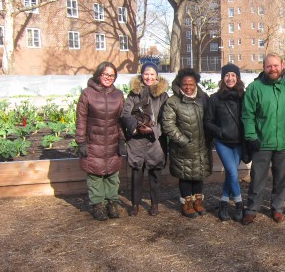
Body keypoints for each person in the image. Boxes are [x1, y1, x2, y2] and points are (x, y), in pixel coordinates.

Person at [241, 53, 285, 225]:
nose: (272, 69)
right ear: (264, 68)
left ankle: (277, 208)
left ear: (282, 65)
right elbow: (247, 115)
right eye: (268, 66)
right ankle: (252, 209)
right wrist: (251, 136)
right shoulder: (255, 88)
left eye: (275, 65)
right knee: (257, 178)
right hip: (262, 142)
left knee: (281, 179)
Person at [75, 62, 125, 221]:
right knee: (95, 175)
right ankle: (97, 205)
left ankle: (112, 203)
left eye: (112, 75)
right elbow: (81, 120)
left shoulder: (118, 95)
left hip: (112, 140)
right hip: (93, 141)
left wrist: (122, 139)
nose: (108, 78)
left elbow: (121, 119)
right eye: (105, 74)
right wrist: (81, 141)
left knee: (112, 174)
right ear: (98, 75)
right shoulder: (87, 94)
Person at [161, 68, 212, 218]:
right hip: (183, 147)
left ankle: (198, 202)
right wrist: (183, 141)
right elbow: (168, 125)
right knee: (185, 176)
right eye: (185, 84)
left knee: (198, 175)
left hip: (202, 145)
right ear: (180, 84)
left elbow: (210, 118)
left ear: (196, 83)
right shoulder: (173, 102)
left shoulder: (203, 99)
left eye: (191, 84)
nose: (188, 87)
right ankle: (187, 204)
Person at [121, 62, 169, 216]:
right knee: (136, 172)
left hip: (155, 139)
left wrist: (153, 129)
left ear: (157, 76)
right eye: (146, 74)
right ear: (142, 75)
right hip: (137, 139)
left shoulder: (163, 96)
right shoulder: (134, 94)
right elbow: (125, 113)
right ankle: (135, 204)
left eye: (152, 74)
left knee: (155, 172)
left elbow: (166, 118)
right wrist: (136, 126)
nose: (149, 77)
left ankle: (155, 204)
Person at [204, 63, 246, 222]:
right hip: (223, 143)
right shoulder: (215, 98)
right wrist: (220, 132)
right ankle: (239, 204)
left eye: (233, 75)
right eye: (227, 75)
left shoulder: (244, 97)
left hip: (239, 143)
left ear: (238, 78)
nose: (230, 78)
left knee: (230, 174)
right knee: (234, 174)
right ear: (223, 78)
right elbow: (208, 122)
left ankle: (223, 203)